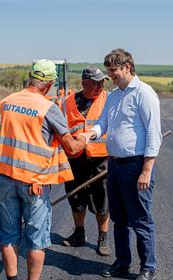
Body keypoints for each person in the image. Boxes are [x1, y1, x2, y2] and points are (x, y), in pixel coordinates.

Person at [0, 59, 87, 280]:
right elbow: (72, 149)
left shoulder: (7, 102)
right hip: (34, 183)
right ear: (50, 84)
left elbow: (19, 137)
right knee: (36, 237)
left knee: (8, 235)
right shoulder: (48, 108)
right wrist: (84, 138)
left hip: (5, 178)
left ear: (30, 77)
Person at [80, 48, 162, 280]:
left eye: (113, 71)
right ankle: (122, 261)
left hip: (136, 166)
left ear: (127, 67)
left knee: (141, 219)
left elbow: (153, 134)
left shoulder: (144, 94)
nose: (111, 76)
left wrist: (147, 170)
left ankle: (148, 267)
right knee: (119, 218)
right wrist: (89, 134)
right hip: (114, 165)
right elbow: (103, 123)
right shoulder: (114, 95)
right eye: (109, 71)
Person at [60, 65, 111, 256]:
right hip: (75, 159)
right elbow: (60, 129)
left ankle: (103, 237)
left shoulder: (108, 100)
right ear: (84, 83)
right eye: (96, 83)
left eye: (102, 82)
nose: (100, 86)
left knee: (102, 200)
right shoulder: (67, 103)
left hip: (101, 158)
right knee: (75, 197)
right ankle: (79, 233)